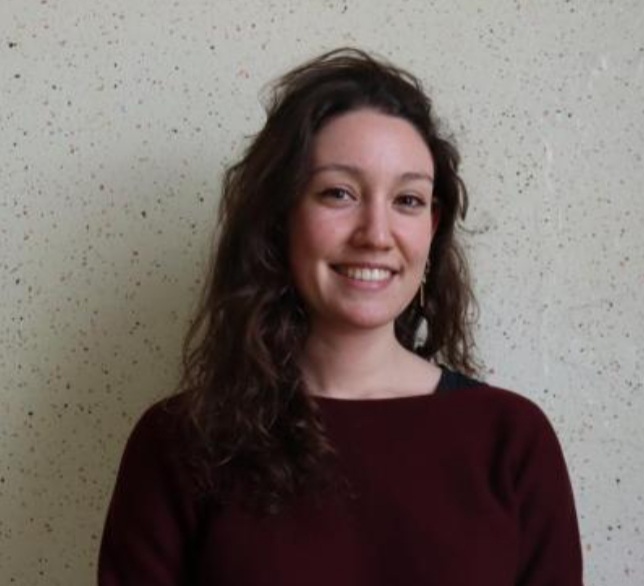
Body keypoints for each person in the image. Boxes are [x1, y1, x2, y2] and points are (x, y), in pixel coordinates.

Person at [98, 48, 583, 585]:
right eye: (339, 193)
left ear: (432, 227)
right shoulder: (180, 442)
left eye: (407, 200)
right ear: (280, 217)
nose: (376, 234)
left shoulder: (512, 440)